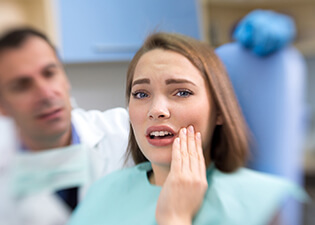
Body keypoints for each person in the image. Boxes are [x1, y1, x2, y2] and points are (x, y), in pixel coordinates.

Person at [67, 32, 307, 225]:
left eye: (182, 92)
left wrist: (175, 218)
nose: (156, 109)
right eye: (141, 93)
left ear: (220, 110)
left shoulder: (257, 203)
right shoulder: (103, 192)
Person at [0, 28, 131, 225]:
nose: (45, 94)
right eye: (22, 85)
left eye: (49, 73)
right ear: (2, 107)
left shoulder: (125, 132)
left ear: (65, 77)